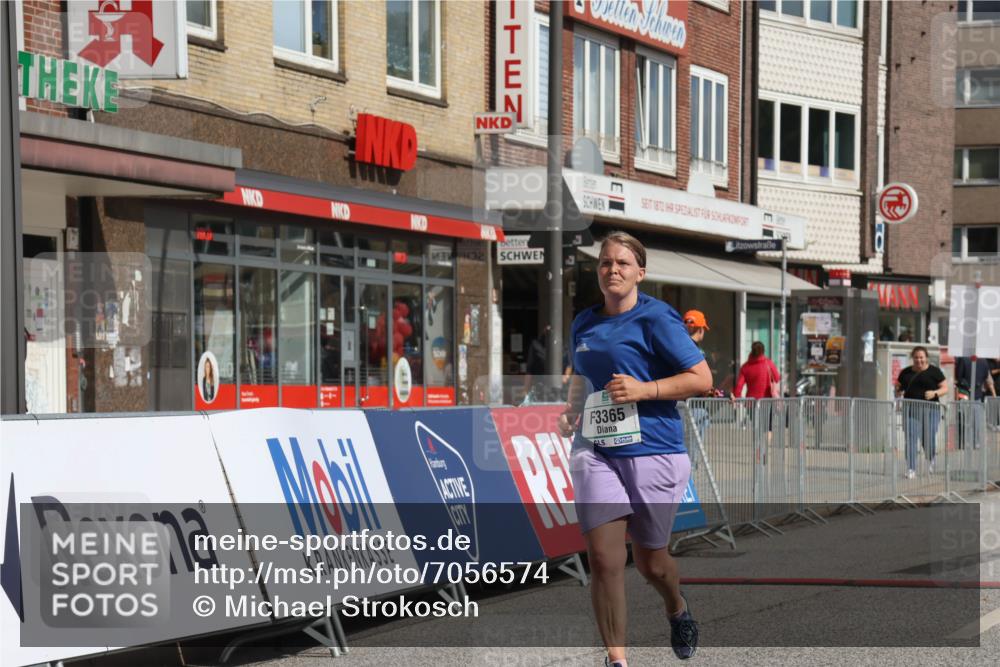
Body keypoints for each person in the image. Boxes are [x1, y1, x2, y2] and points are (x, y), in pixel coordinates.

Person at [558, 231, 712, 664]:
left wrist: (646, 389)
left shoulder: (658, 319)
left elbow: (702, 379)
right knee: (605, 560)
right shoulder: (584, 321)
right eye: (606, 263)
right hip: (597, 451)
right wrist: (572, 411)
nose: (613, 270)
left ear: (640, 272)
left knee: (651, 564)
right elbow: (581, 376)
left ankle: (677, 608)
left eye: (623, 264)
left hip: (654, 451)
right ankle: (617, 659)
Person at [895, 347, 948, 479]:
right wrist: (898, 391)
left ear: (926, 358)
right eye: (916, 357)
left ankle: (931, 460)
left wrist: (935, 393)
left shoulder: (934, 372)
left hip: (931, 410)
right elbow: (898, 386)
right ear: (912, 358)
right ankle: (911, 469)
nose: (919, 360)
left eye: (921, 357)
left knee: (928, 437)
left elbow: (945, 388)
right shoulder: (905, 373)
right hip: (910, 409)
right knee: (911, 438)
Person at [682, 309, 717, 448]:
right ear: (701, 329)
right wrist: (722, 394)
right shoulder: (698, 353)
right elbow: (703, 383)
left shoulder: (678, 347)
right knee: (693, 451)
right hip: (695, 406)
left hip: (679, 405)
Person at [954, 356, 996, 450]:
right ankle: (976, 442)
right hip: (978, 395)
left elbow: (959, 377)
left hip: (964, 394)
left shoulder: (963, 359)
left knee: (966, 420)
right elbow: (986, 377)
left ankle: (967, 443)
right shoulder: (984, 361)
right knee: (977, 421)